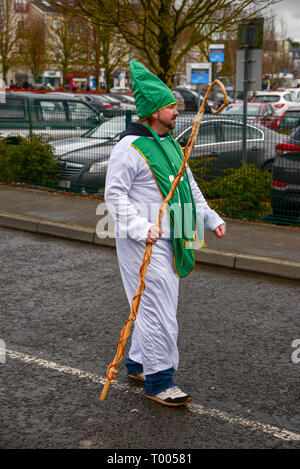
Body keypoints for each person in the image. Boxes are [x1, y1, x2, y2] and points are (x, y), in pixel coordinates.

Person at [104, 60, 226, 407]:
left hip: (173, 238)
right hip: (143, 242)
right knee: (158, 310)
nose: (177, 111)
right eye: (171, 106)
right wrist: (143, 228)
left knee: (157, 306)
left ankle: (139, 363)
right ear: (154, 111)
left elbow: (189, 187)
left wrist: (209, 218)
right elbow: (114, 196)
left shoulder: (171, 143)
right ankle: (160, 381)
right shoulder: (128, 149)